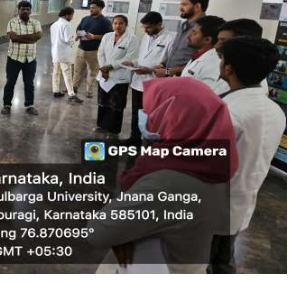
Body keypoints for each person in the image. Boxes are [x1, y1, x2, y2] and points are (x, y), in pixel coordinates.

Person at [89, 77, 238, 273]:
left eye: (152, 110)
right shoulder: (212, 165)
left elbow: (98, 231)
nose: (145, 115)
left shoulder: (166, 182)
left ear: (176, 119)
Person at [210, 37, 286, 273]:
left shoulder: (229, 111)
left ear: (228, 68)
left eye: (222, 58)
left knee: (204, 261)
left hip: (213, 204)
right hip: (241, 201)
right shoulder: (275, 110)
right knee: (223, 258)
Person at [126, 12, 176, 146]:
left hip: (155, 84)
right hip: (138, 82)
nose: (146, 30)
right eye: (144, 27)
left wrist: (149, 70)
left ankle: (150, 142)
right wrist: (133, 63)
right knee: (136, 112)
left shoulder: (170, 39)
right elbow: (143, 57)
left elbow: (170, 64)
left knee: (152, 115)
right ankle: (134, 138)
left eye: (148, 27)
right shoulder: (146, 37)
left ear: (159, 24)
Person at [96, 15, 138, 135]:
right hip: (104, 75)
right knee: (103, 102)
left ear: (126, 25)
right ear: (112, 24)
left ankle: (114, 129)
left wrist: (110, 67)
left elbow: (129, 57)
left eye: (121, 23)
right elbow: (100, 52)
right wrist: (103, 68)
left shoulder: (132, 39)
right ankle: (101, 125)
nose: (117, 26)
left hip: (119, 77)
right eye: (115, 23)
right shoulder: (107, 36)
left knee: (116, 104)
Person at [154, 0, 209, 78]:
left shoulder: (205, 28)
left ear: (197, 6)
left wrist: (168, 72)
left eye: (184, 4)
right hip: (170, 78)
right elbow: (176, 51)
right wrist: (163, 64)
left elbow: (199, 62)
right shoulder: (184, 25)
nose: (180, 8)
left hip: (185, 79)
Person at [1, 1, 43, 115]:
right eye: (23, 9)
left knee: (29, 83)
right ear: (18, 10)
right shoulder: (12, 22)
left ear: (30, 11)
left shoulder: (35, 22)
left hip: (30, 59)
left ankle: (30, 105)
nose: (25, 11)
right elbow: (13, 37)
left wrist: (21, 38)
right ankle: (6, 105)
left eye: (27, 9)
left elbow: (39, 35)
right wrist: (31, 38)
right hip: (14, 58)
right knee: (10, 82)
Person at [212, 19, 267, 95]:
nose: (216, 46)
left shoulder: (247, 81)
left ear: (243, 43)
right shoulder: (228, 68)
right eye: (218, 40)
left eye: (223, 41)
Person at [73, 0, 112, 98]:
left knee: (92, 71)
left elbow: (108, 37)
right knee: (77, 70)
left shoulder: (105, 22)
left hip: (94, 50)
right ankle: (74, 87)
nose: (91, 9)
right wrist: (78, 35)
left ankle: (89, 91)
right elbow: (79, 29)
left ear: (100, 8)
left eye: (93, 8)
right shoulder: (85, 18)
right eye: (90, 8)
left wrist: (94, 37)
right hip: (81, 49)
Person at [180, 15, 226, 89]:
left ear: (207, 39)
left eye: (194, 33)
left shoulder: (213, 65)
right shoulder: (199, 55)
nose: (188, 35)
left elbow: (202, 93)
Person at [51, 7, 83, 103]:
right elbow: (68, 40)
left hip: (55, 52)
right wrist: (76, 38)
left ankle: (56, 91)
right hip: (63, 54)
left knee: (56, 72)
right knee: (67, 73)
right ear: (67, 15)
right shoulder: (67, 24)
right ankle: (71, 95)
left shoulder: (54, 24)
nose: (72, 17)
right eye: (72, 15)